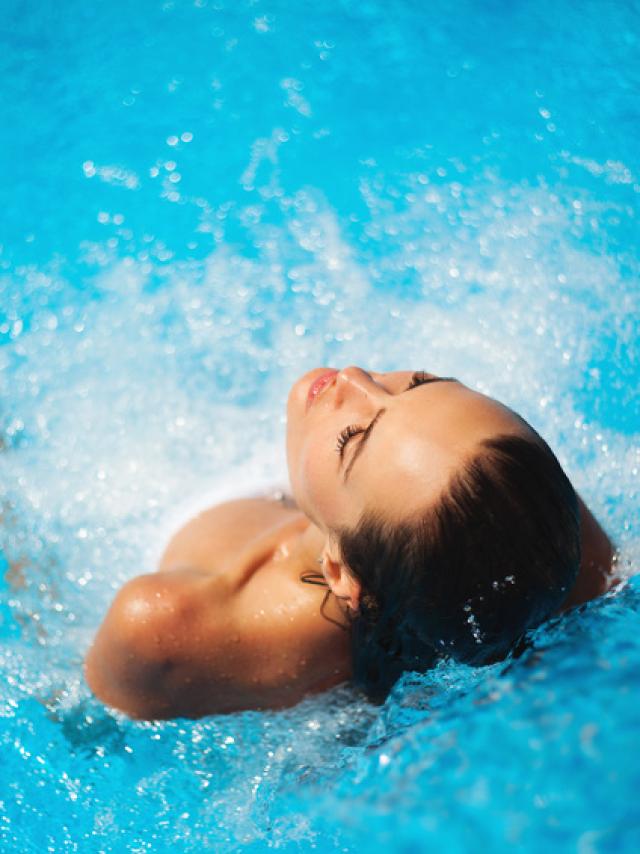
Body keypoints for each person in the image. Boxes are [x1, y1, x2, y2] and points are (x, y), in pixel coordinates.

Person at [84, 368, 615, 719]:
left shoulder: (167, 622)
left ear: (341, 573)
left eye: (351, 440)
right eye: (420, 383)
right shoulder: (520, 506)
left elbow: (78, 722)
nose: (355, 380)